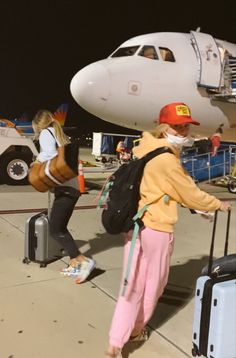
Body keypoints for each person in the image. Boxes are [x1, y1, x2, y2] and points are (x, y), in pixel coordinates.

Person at [106, 102, 231, 357]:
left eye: (186, 126)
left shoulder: (144, 148)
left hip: (135, 226)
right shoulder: (167, 159)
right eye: (178, 126)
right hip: (158, 230)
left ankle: (114, 342)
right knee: (153, 286)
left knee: (130, 285)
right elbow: (190, 193)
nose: (183, 131)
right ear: (164, 126)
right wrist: (218, 204)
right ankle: (136, 330)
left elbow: (161, 189)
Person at [32, 110, 95, 283]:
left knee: (56, 230)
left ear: (38, 124)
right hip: (72, 188)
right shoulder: (61, 135)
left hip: (65, 190)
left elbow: (50, 155)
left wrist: (36, 162)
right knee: (61, 228)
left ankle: (83, 261)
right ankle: (75, 263)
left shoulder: (46, 133)